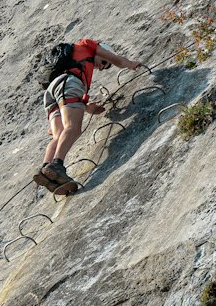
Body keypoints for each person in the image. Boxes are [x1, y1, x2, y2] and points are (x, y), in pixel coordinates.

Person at [35, 37, 145, 191]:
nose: (101, 67)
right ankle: (57, 165)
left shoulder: (76, 63)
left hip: (51, 92)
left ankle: (46, 170)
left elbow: (71, 101)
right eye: (105, 63)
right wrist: (130, 64)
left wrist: (88, 108)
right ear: (104, 50)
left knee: (59, 136)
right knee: (73, 128)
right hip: (68, 84)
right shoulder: (88, 46)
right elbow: (117, 60)